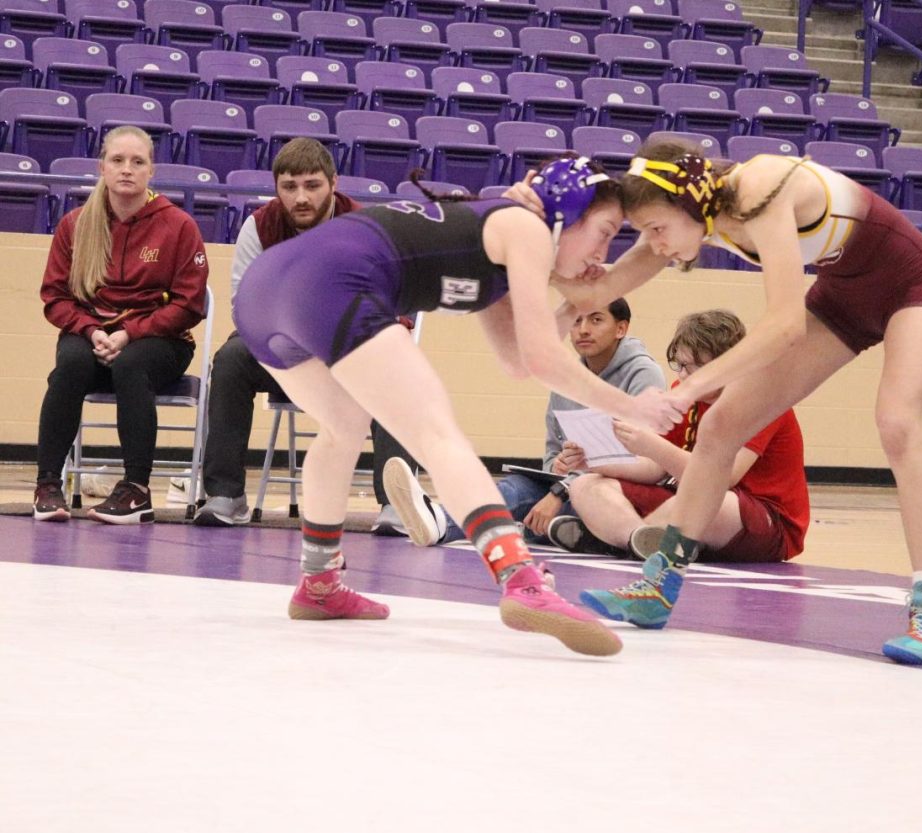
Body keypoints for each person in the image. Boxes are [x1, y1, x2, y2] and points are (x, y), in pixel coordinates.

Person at [506, 138, 922, 664]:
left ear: (686, 201)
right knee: (722, 426)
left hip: (914, 285)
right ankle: (659, 587)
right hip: (844, 296)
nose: (654, 244)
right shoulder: (689, 214)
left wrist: (691, 387)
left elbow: (785, 325)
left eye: (656, 230)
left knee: (897, 426)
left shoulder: (762, 184)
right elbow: (592, 293)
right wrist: (525, 231)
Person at [232, 158, 681, 657]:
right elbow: (543, 359)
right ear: (565, 213)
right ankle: (522, 579)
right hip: (333, 282)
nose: (603, 252)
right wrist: (631, 408)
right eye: (604, 231)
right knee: (438, 434)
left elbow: (517, 360)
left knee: (343, 426)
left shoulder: (503, 239)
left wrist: (577, 300)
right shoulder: (525, 227)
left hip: (263, 294)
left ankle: (318, 582)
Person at [193, 138, 417, 532]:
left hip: (349, 355)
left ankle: (397, 503)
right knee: (231, 360)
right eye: (289, 187)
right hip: (284, 352)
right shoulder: (259, 227)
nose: (300, 197)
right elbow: (245, 308)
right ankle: (226, 494)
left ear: (334, 182)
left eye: (312, 186)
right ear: (276, 188)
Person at [32, 125, 209, 525]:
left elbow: (189, 304)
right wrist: (92, 330)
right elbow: (55, 297)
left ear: (151, 171)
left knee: (131, 365)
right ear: (102, 168)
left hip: (161, 339)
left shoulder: (178, 226)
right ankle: (47, 484)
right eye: (117, 160)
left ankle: (136, 490)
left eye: (137, 161)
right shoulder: (76, 224)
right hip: (90, 333)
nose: (126, 169)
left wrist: (130, 334)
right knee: (70, 366)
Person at [384, 296, 666, 546]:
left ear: (621, 328)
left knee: (537, 507)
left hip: (616, 491)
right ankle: (441, 522)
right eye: (577, 320)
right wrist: (558, 467)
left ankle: (552, 530)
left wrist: (560, 491)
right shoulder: (566, 379)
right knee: (516, 487)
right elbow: (553, 450)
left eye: (596, 320)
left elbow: (642, 456)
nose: (583, 330)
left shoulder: (643, 374)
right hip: (572, 487)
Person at [546, 309, 810, 563]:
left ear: (724, 365)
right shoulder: (685, 393)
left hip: (767, 521)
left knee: (704, 499)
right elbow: (654, 469)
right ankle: (637, 541)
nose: (682, 376)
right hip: (698, 504)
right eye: (679, 365)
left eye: (691, 368)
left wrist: (653, 446)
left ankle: (613, 540)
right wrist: (592, 462)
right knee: (587, 485)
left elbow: (723, 478)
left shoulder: (758, 397)